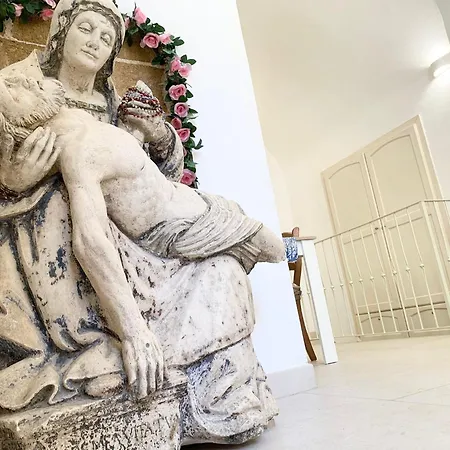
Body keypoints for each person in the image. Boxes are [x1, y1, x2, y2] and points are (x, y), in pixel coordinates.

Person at [0, 0, 279, 444]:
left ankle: (220, 398)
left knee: (222, 269)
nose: (94, 42)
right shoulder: (19, 89)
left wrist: (159, 134)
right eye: (84, 29)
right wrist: (13, 180)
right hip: (68, 229)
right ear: (61, 33)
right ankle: (105, 342)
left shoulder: (108, 101)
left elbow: (150, 177)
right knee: (59, 204)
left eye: (105, 37)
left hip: (140, 227)